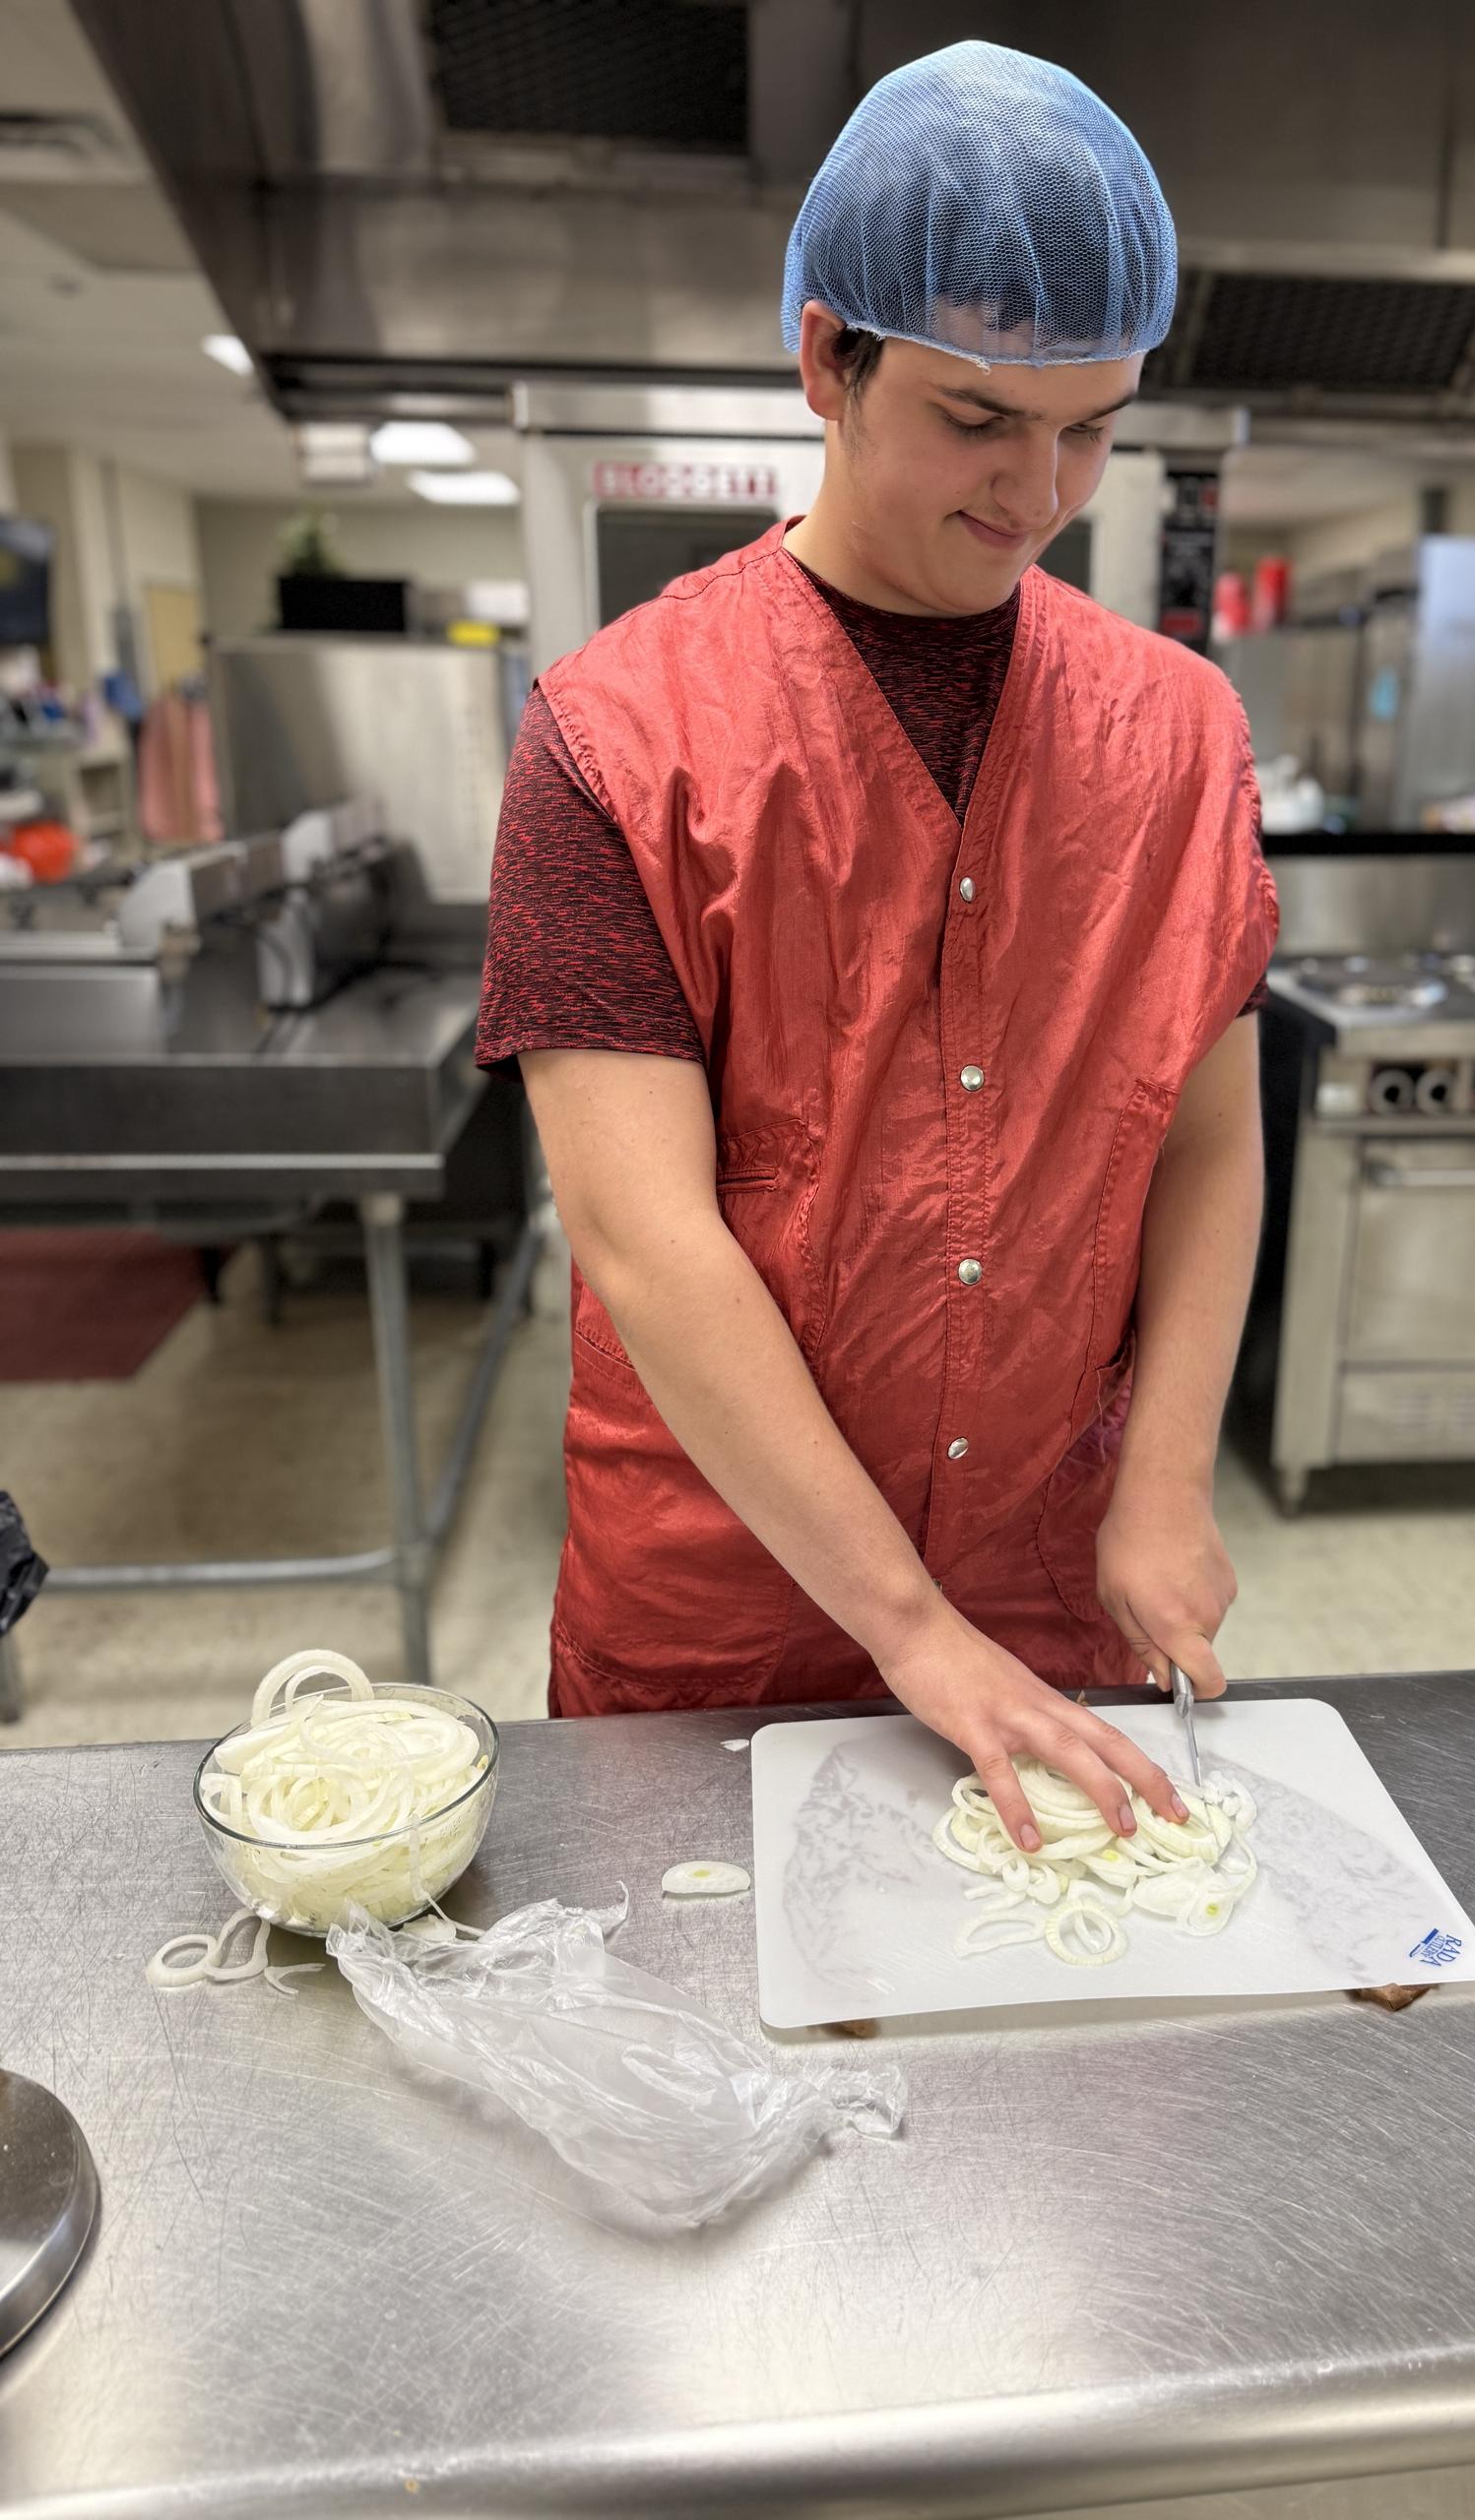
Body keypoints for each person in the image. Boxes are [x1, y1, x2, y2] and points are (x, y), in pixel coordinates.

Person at [477, 41, 1278, 1854]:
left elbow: (1207, 1138)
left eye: (1092, 426)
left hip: (1048, 1575)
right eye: (978, 420)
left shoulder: (1182, 734)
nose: (1039, 491)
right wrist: (908, 1629)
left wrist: (1166, 1480)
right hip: (718, 1592)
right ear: (827, 357)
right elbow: (640, 1232)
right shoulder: (618, 735)